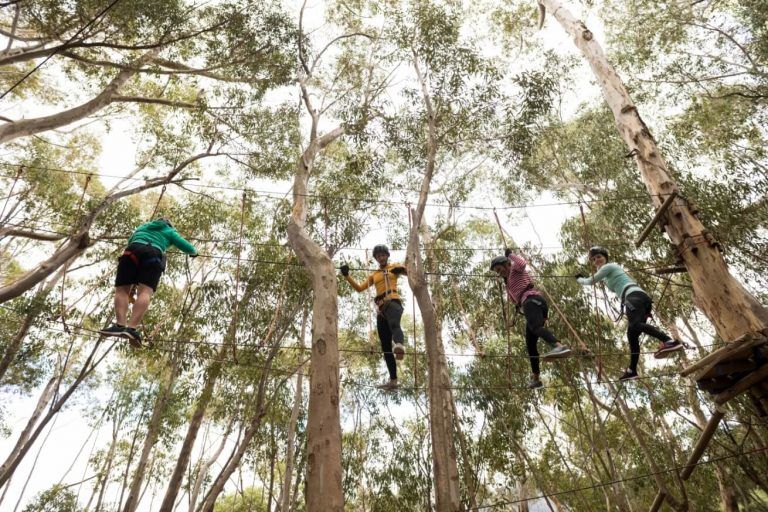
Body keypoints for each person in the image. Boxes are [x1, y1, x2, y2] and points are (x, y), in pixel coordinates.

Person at [576, 246, 683, 381]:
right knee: (632, 335)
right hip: (637, 298)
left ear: (605, 257)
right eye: (593, 259)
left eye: (599, 257)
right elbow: (600, 277)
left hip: (633, 297)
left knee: (636, 324)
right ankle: (632, 370)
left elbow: (590, 281)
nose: (596, 260)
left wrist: (579, 279)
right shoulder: (605, 273)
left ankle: (669, 341)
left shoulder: (609, 266)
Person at [99, 218, 197, 347]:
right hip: (153, 254)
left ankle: (119, 325)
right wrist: (194, 253)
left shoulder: (142, 227)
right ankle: (131, 329)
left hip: (131, 252)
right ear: (169, 225)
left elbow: (131, 240)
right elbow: (185, 246)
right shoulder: (170, 231)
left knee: (122, 290)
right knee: (145, 292)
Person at [491, 249, 571, 390]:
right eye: (496, 271)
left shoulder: (515, 270)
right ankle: (536, 379)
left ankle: (558, 346)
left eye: (499, 269)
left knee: (535, 328)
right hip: (529, 303)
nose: (499, 272)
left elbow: (522, 263)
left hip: (532, 300)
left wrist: (510, 255)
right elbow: (514, 299)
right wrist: (516, 305)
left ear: (507, 264)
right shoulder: (508, 282)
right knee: (531, 345)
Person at [340, 244, 407, 390]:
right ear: (376, 258)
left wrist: (403, 270)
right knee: (385, 346)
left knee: (395, 324)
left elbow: (410, 273)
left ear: (387, 255)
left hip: (393, 302)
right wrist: (347, 276)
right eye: (378, 256)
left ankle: (400, 345)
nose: (381, 258)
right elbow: (359, 288)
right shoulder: (374, 275)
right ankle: (393, 380)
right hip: (381, 309)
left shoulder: (394, 267)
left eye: (383, 255)